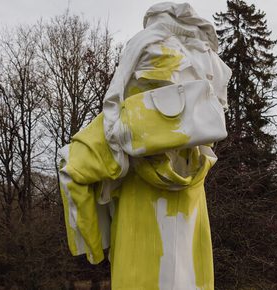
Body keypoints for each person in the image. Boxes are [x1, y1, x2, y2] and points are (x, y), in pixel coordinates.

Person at [58, 2, 231, 289]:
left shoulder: (119, 129)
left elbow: (71, 170)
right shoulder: (199, 142)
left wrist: (94, 245)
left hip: (137, 265)